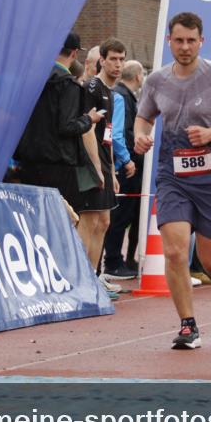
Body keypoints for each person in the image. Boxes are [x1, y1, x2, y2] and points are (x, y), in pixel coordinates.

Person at [134, 12, 211, 350]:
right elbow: (143, 118)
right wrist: (141, 137)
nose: (184, 47)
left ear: (201, 42)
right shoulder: (155, 81)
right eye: (178, 40)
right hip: (173, 176)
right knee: (174, 251)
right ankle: (188, 325)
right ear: (169, 41)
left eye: (191, 41)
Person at [16, 32, 103, 213]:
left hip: (28, 161)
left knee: (31, 217)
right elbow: (67, 126)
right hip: (58, 164)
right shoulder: (67, 85)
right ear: (74, 53)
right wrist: (89, 119)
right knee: (59, 220)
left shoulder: (31, 81)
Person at [78, 39, 126, 290]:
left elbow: (108, 134)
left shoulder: (110, 92)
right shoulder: (92, 87)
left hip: (105, 162)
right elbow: (87, 129)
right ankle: (80, 280)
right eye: (113, 59)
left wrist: (112, 169)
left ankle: (93, 278)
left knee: (104, 222)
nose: (118, 64)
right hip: (89, 161)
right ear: (102, 61)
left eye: (121, 59)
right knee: (90, 220)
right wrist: (96, 166)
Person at [104, 60, 145, 280]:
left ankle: (119, 259)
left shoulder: (125, 96)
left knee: (124, 214)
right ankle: (113, 261)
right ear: (138, 76)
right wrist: (127, 160)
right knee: (120, 215)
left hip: (123, 164)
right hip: (124, 166)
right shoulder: (122, 97)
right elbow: (119, 133)